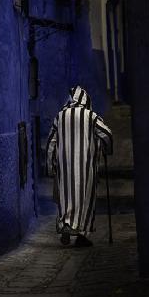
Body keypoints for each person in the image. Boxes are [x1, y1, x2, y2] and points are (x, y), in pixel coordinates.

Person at [46, 85, 113, 247]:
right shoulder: (91, 116)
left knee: (66, 196)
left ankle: (66, 225)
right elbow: (107, 135)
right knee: (85, 198)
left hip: (64, 166)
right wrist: (107, 149)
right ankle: (81, 235)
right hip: (86, 166)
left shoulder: (60, 116)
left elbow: (51, 143)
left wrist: (51, 166)